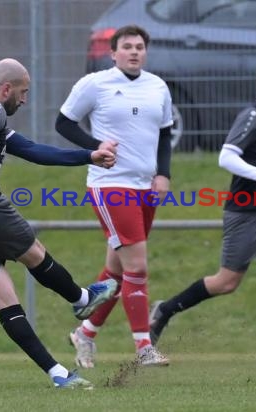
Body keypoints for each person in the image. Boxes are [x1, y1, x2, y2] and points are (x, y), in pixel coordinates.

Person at [0, 58, 119, 389]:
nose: (24, 99)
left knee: (6, 300)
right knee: (33, 252)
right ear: (6, 89)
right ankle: (81, 299)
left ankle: (57, 374)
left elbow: (34, 151)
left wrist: (88, 156)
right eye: (23, 92)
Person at [149, 55, 256, 362]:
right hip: (247, 212)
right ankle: (164, 311)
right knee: (226, 282)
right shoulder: (253, 115)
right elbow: (227, 157)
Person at [55, 25, 172, 368]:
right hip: (110, 185)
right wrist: (95, 147)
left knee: (117, 271)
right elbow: (63, 123)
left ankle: (85, 333)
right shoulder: (96, 83)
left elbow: (165, 134)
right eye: (127, 47)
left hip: (144, 187)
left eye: (139, 47)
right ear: (114, 52)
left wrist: (163, 173)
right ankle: (143, 348)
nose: (134, 51)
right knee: (138, 266)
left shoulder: (158, 86)